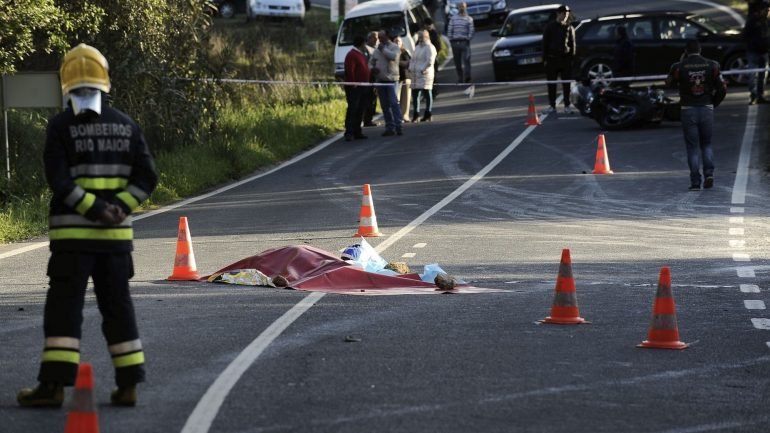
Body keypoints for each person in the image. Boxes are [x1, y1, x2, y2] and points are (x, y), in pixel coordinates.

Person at [17, 43, 158, 408]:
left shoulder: (61, 127)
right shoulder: (127, 126)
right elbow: (147, 176)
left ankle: (53, 388)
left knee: (64, 311)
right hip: (114, 241)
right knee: (118, 309)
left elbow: (59, 181)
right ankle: (128, 385)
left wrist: (93, 209)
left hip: (72, 242)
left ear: (65, 82)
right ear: (105, 81)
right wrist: (118, 209)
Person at [665, 39, 727, 191]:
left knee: (692, 147)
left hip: (688, 109)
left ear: (685, 51)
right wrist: (714, 103)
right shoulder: (712, 65)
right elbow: (723, 88)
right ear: (701, 50)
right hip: (706, 108)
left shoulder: (679, 66)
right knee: (706, 144)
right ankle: (709, 174)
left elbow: (668, 84)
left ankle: (695, 182)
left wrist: (680, 62)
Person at [542, 4, 576, 114]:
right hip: (552, 59)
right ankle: (552, 105)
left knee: (566, 84)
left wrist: (571, 58)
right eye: (564, 14)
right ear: (558, 14)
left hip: (565, 59)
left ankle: (567, 105)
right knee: (552, 84)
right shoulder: (550, 27)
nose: (566, 16)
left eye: (567, 14)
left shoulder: (569, 27)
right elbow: (545, 44)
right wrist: (545, 59)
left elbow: (572, 43)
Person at [369, 29, 404, 136]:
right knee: (384, 105)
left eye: (381, 37)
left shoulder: (394, 47)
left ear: (386, 37)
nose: (379, 40)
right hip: (380, 80)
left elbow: (393, 57)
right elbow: (370, 62)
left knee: (394, 103)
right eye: (378, 38)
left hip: (391, 80)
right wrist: (372, 68)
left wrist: (383, 49)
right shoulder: (377, 49)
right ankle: (389, 126)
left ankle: (398, 125)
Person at [343, 35, 370, 141]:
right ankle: (349, 132)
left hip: (363, 86)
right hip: (355, 87)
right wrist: (353, 82)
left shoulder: (360, 54)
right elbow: (350, 70)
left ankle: (357, 130)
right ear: (361, 43)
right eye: (364, 43)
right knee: (353, 108)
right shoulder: (351, 54)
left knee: (360, 109)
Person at [743, 1, 769, 104]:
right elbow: (745, 36)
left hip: (764, 52)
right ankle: (753, 95)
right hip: (754, 52)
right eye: (766, 10)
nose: (768, 12)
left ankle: (760, 95)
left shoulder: (766, 21)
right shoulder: (752, 21)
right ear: (761, 10)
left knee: (763, 76)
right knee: (753, 75)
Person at [409, 30, 437, 122]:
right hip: (415, 74)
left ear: (427, 37)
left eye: (422, 36)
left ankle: (428, 112)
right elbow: (413, 59)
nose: (420, 38)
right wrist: (411, 67)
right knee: (415, 93)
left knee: (427, 92)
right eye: (419, 36)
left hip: (425, 74)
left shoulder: (430, 47)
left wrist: (422, 69)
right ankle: (416, 114)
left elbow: (430, 61)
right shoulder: (417, 47)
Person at [447, 2, 474, 83]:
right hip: (455, 43)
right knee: (457, 62)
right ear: (458, 8)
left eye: (463, 7)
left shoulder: (469, 19)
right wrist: (451, 39)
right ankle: (460, 77)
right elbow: (450, 29)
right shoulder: (453, 19)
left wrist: (468, 38)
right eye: (460, 7)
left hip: (464, 42)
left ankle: (467, 76)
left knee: (466, 60)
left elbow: (471, 30)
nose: (462, 8)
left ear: (466, 8)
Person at [363, 31, 380, 127]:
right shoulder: (366, 49)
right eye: (374, 38)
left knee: (373, 99)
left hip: (375, 78)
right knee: (368, 99)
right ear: (369, 38)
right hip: (368, 79)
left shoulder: (376, 48)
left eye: (377, 38)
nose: (376, 40)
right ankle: (367, 119)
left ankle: (369, 118)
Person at [395, 36, 413, 122]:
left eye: (398, 41)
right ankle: (397, 116)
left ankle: (405, 115)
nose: (397, 43)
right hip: (396, 78)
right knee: (396, 98)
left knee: (406, 98)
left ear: (402, 43)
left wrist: (397, 62)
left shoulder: (405, 52)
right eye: (395, 41)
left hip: (406, 77)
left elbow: (408, 63)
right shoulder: (392, 52)